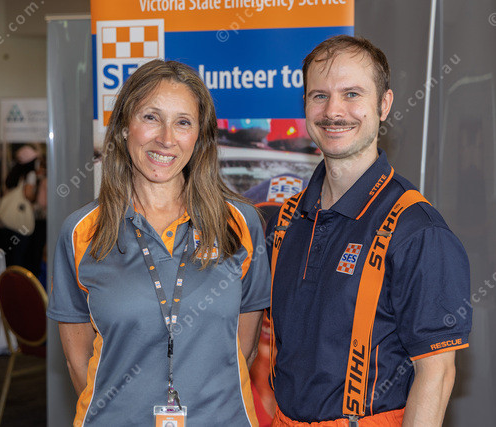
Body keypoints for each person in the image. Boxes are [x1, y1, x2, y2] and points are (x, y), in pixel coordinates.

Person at [47, 60, 270, 426]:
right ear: (124, 127)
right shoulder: (82, 232)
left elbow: (241, 353)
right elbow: (78, 363)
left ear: (199, 136)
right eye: (151, 117)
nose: (166, 138)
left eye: (183, 122)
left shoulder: (239, 224)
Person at [267, 35, 471, 426]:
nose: (333, 111)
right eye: (320, 96)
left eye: (352, 94)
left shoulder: (417, 230)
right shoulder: (287, 220)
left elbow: (437, 374)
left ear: (384, 104)